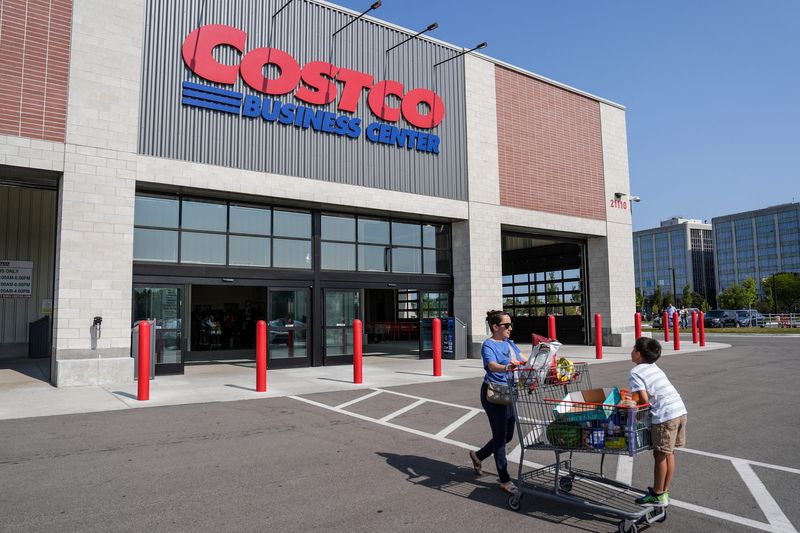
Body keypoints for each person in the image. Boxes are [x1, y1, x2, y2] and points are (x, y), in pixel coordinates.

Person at [468, 310, 527, 495]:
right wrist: (508, 367)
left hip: (510, 392)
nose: (510, 328)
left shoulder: (509, 344)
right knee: (500, 437)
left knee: (508, 435)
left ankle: (478, 456)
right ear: (495, 327)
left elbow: (525, 359)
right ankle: (505, 479)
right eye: (506, 325)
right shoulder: (489, 345)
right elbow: (491, 365)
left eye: (511, 325)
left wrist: (543, 359)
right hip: (494, 394)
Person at [629, 337, 688, 506]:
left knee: (659, 455)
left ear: (638, 354)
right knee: (669, 453)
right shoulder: (654, 367)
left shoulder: (636, 371)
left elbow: (643, 399)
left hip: (665, 415)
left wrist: (634, 411)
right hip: (679, 410)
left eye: (633, 349)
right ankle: (663, 491)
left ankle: (657, 494)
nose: (632, 352)